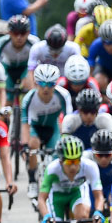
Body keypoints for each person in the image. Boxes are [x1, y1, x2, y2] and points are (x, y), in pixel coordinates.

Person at [20, 63, 72, 199]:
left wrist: (67, 139)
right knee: (33, 146)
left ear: (56, 84)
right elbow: (25, 124)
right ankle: (32, 180)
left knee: (57, 154)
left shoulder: (63, 95)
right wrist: (25, 145)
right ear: (36, 83)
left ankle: (55, 184)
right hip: (35, 129)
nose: (46, 88)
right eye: (42, 83)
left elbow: (69, 120)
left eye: (50, 84)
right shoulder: (29, 99)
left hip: (52, 129)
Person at [0, 16, 39, 104]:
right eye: (15, 33)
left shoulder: (34, 42)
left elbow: (39, 63)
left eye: (22, 33)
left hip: (26, 68)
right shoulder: (2, 42)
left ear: (28, 32)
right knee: (8, 99)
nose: (19, 37)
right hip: (8, 69)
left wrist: (31, 80)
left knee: (29, 92)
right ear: (9, 33)